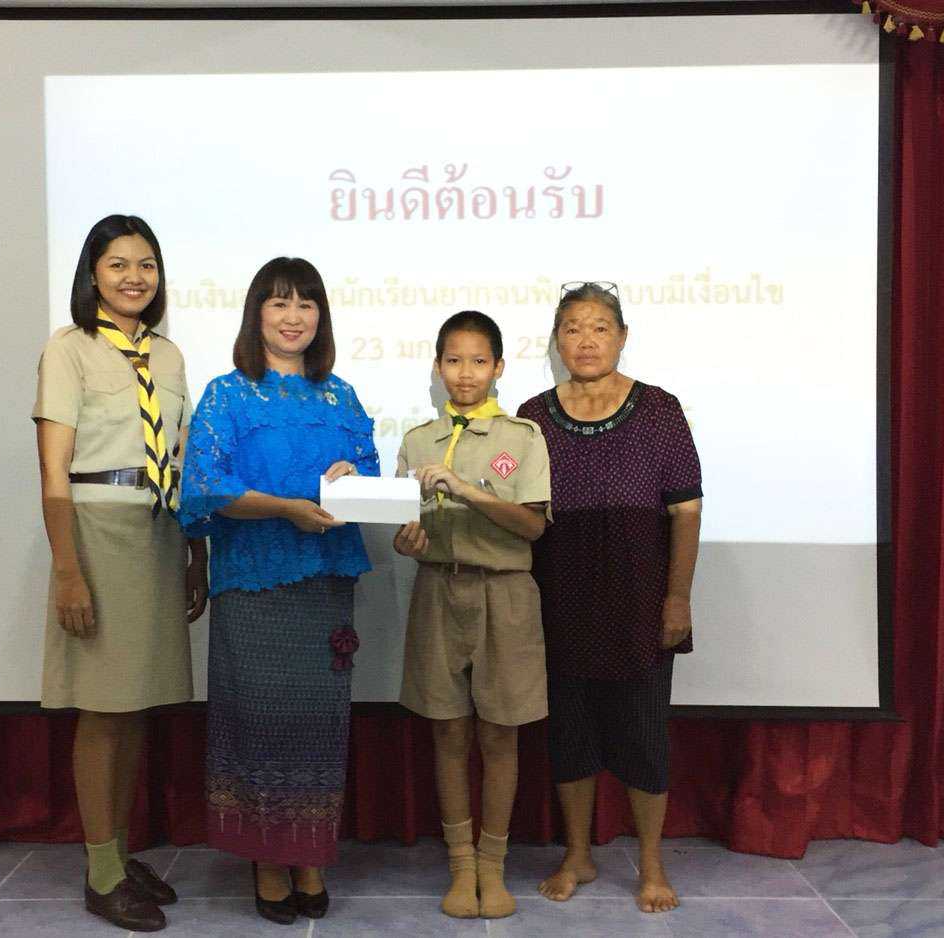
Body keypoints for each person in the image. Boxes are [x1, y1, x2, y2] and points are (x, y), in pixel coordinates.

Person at [177, 257, 378, 926]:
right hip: (254, 586)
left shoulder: (341, 396)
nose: (294, 317)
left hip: (325, 586)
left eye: (306, 304)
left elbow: (372, 475)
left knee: (318, 723)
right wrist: (286, 508)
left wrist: (354, 476)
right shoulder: (227, 395)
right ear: (256, 313)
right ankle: (266, 859)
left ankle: (309, 854)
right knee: (259, 724)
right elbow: (205, 487)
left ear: (321, 317)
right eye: (279, 303)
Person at [34, 214, 209, 932]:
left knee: (136, 704)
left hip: (161, 531)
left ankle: (119, 850)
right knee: (103, 709)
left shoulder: (167, 356)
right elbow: (53, 473)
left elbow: (185, 460)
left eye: (146, 265)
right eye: (118, 265)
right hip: (98, 533)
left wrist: (197, 552)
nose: (134, 277)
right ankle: (101, 871)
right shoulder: (69, 349)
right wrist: (67, 571)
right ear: (92, 275)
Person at [517, 281, 703, 914]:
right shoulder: (533, 415)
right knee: (569, 733)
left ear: (622, 337)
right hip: (560, 598)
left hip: (640, 600)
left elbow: (686, 512)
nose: (586, 340)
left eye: (599, 327)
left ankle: (651, 864)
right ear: (557, 341)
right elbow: (520, 513)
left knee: (643, 733)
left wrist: (677, 599)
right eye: (572, 328)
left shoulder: (660, 409)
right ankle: (577, 854)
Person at [393, 311, 551, 920]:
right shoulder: (417, 441)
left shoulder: (523, 437)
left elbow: (532, 525)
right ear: (437, 367)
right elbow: (406, 527)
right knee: (448, 732)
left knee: (500, 733)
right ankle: (461, 866)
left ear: (499, 367)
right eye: (454, 361)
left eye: (479, 361)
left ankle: (493, 866)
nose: (465, 373)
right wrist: (405, 540)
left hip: (505, 594)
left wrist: (465, 488)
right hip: (439, 589)